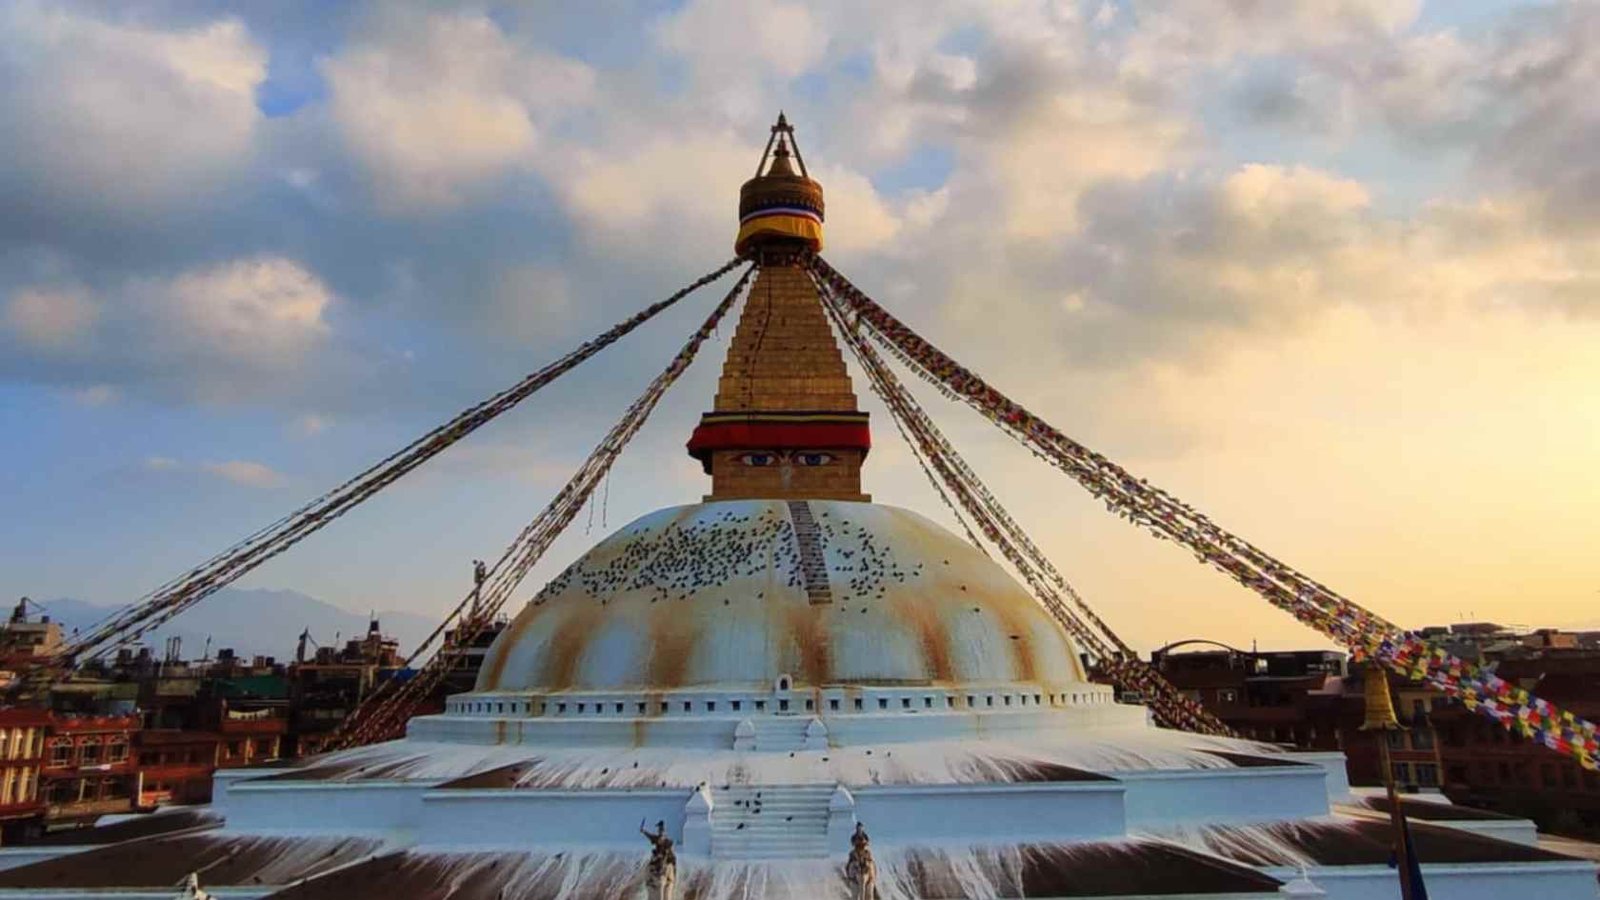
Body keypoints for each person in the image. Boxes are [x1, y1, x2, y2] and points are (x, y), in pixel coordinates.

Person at [640, 819, 677, 900]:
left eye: (661, 831)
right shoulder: (657, 839)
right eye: (660, 831)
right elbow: (650, 836)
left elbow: (670, 855)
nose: (660, 833)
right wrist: (643, 831)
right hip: (658, 859)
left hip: (664, 861)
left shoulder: (667, 842)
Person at [845, 821, 877, 900]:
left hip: (864, 852)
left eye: (861, 828)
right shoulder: (854, 837)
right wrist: (857, 843)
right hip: (856, 852)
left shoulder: (865, 836)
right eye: (859, 828)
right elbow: (852, 842)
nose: (860, 829)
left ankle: (871, 876)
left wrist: (864, 843)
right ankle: (850, 876)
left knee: (870, 863)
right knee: (851, 863)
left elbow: (867, 842)